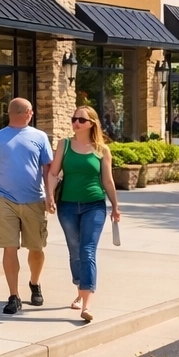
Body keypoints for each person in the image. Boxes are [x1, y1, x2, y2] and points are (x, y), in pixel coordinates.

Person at [44, 106, 121, 323]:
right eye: (74, 119)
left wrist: (115, 206)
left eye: (81, 120)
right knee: (75, 252)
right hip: (67, 205)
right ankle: (80, 290)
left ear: (92, 124)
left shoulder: (102, 150)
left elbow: (107, 180)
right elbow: (53, 173)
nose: (76, 123)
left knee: (87, 251)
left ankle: (87, 304)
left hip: (94, 205)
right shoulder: (64, 144)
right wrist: (49, 196)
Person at [0, 97, 53, 315]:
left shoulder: (40, 137)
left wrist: (49, 196)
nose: (32, 114)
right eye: (31, 111)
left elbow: (48, 169)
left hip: (34, 200)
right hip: (5, 199)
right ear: (26, 112)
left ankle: (35, 283)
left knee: (36, 247)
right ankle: (14, 296)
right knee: (9, 247)